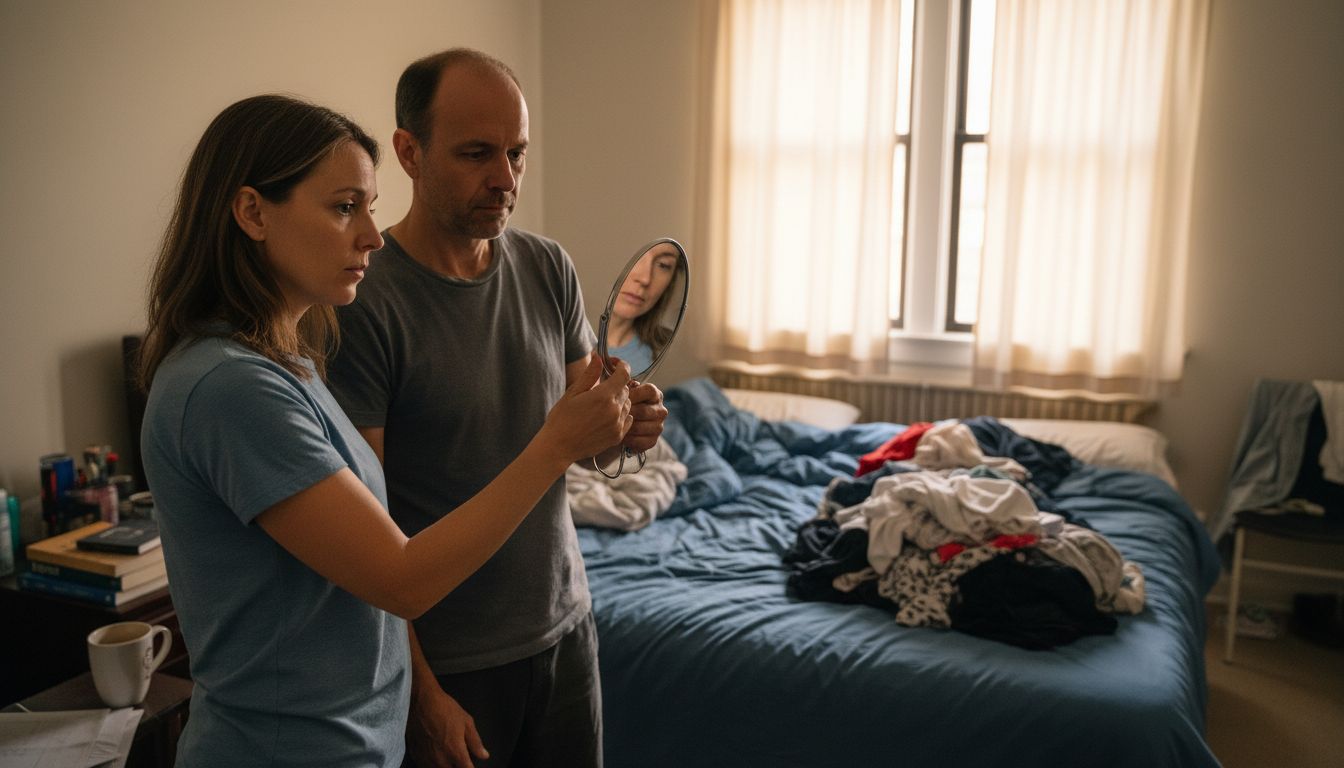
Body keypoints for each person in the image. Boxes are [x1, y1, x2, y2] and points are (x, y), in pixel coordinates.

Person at [138, 94, 634, 767]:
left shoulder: (288, 363)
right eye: (345, 207)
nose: (371, 235)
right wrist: (554, 447)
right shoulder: (230, 388)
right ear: (252, 212)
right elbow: (399, 579)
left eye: (369, 207)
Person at [325, 49, 667, 768]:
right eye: (478, 153)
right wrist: (422, 694)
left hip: (565, 628)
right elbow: (366, 535)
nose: (506, 179)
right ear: (409, 153)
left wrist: (626, 430)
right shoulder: (364, 303)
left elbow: (587, 444)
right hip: (454, 662)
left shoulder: (547, 267)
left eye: (517, 153)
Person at [602, 241, 684, 377]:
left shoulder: (665, 356)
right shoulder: (565, 347)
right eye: (632, 256)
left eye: (663, 265)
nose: (645, 279)